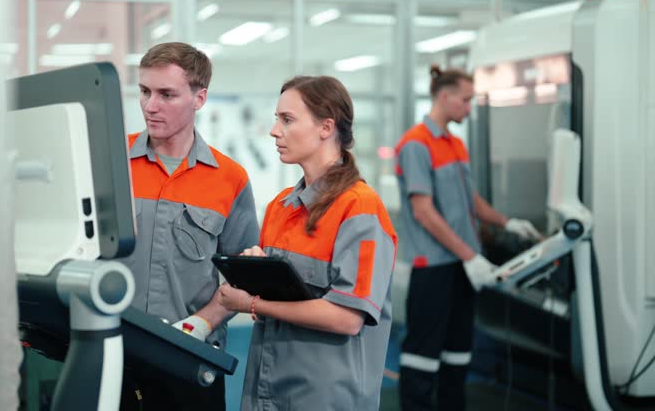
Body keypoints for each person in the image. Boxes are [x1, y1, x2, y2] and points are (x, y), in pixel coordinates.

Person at [217, 75, 397, 411]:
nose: (274, 130)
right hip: (266, 389)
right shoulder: (280, 207)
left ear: (326, 127)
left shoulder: (359, 208)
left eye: (287, 120)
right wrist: (257, 275)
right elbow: (287, 298)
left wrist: (251, 304)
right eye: (276, 119)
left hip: (323, 398)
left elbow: (347, 318)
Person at [121, 42, 260, 410]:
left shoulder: (230, 179)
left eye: (167, 94)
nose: (151, 106)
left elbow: (243, 274)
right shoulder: (112, 162)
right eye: (145, 92)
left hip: (189, 359)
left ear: (199, 99)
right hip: (113, 354)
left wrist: (199, 325)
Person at [395, 65, 542, 410]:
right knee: (423, 353)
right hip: (433, 267)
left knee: (459, 349)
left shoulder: (456, 145)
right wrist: (470, 256)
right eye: (465, 100)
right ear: (444, 97)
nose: (468, 107)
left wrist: (509, 223)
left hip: (463, 264)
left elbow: (471, 202)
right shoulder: (416, 144)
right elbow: (424, 212)